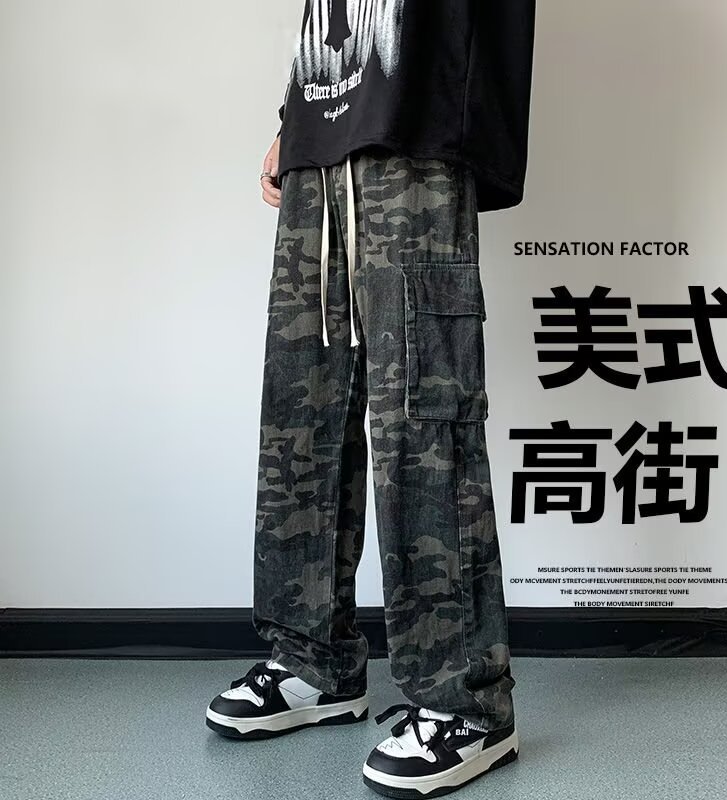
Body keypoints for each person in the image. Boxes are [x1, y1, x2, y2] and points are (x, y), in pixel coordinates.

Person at [206, 2, 536, 796]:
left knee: (422, 414)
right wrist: (295, 118)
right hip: (323, 135)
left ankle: (466, 703)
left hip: (417, 125)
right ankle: (314, 661)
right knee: (303, 409)